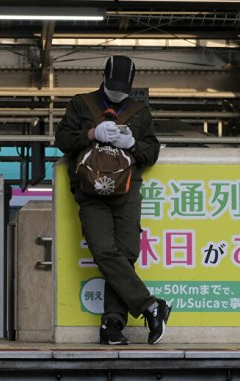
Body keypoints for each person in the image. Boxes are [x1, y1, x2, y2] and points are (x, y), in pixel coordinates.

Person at [55, 55, 171, 345]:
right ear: (103, 78)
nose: (117, 90)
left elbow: (151, 152)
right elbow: (62, 140)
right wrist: (91, 133)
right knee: (104, 249)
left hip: (127, 187)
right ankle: (150, 305)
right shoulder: (81, 104)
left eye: (123, 86)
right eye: (113, 84)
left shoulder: (140, 110)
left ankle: (112, 323)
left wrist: (131, 143)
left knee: (126, 252)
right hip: (89, 188)